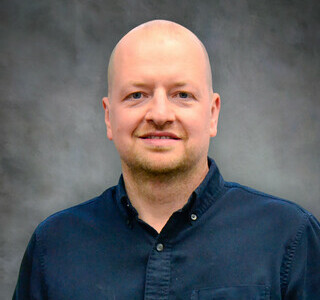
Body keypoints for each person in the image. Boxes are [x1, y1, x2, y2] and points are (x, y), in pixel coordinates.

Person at [13, 20, 320, 299]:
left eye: (182, 94)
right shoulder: (54, 247)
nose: (160, 115)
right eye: (137, 95)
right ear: (108, 116)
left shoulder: (289, 239)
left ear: (212, 114)